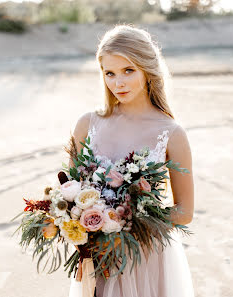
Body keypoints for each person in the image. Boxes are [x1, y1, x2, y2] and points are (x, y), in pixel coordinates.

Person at [68, 24, 195, 297]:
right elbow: (71, 195)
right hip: (97, 258)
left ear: (147, 70)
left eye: (128, 71)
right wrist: (86, 227)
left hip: (146, 258)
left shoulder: (171, 133)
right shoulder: (86, 124)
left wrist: (127, 226)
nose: (118, 83)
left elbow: (185, 211)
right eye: (109, 73)